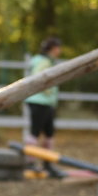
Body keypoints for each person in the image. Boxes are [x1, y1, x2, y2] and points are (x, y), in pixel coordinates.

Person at [24, 37, 65, 178]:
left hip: (46, 102)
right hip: (40, 101)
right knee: (35, 132)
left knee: (49, 133)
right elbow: (39, 78)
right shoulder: (43, 62)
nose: (60, 50)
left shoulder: (45, 61)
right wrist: (48, 91)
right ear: (53, 49)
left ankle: (47, 163)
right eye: (58, 48)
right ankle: (30, 162)